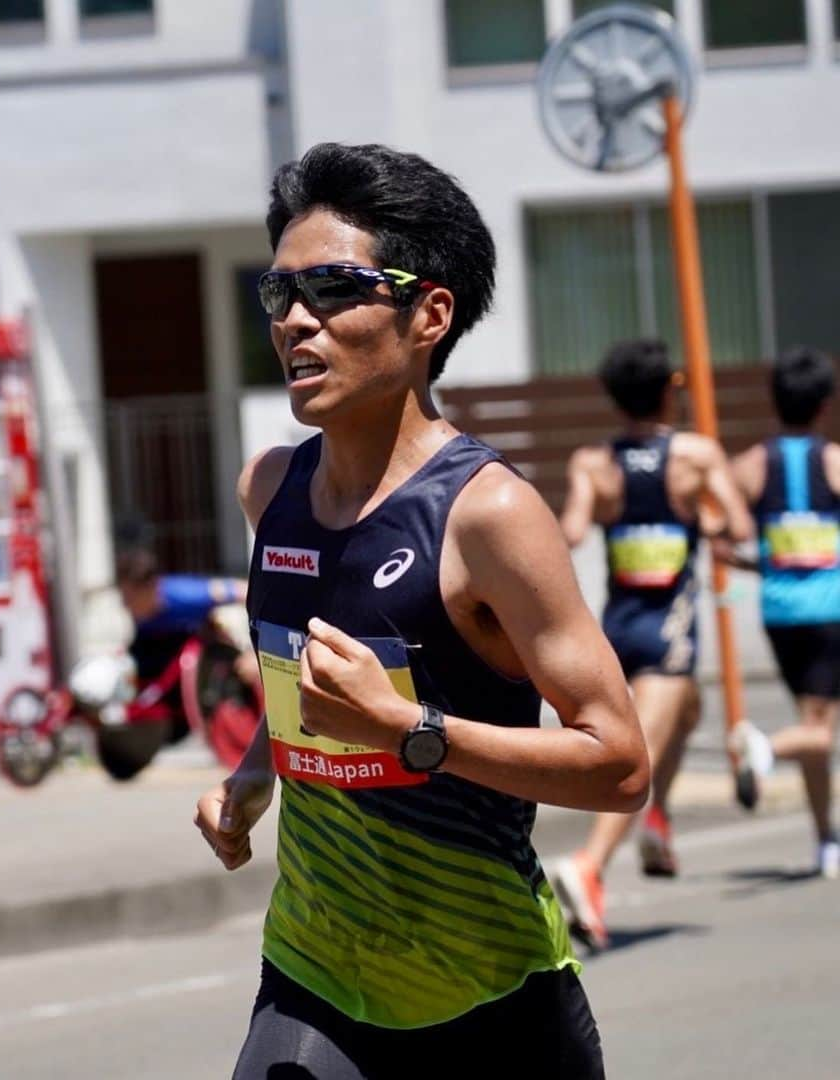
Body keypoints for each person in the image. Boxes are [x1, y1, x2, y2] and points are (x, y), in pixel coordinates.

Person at [193, 142, 649, 1079]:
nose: (297, 324)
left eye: (333, 288)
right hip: (315, 973)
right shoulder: (268, 489)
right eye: (281, 295)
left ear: (429, 313)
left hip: (488, 992)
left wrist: (412, 732)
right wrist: (254, 772)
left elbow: (619, 763)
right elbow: (302, 680)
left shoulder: (488, 516)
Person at [552, 338, 753, 951]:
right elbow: (739, 525)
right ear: (669, 388)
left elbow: (574, 530)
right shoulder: (695, 454)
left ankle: (656, 821)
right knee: (638, 752)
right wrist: (709, 522)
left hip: (618, 625)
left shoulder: (592, 462)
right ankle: (589, 865)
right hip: (669, 624)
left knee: (688, 710)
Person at [723, 346, 840, 879]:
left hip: (779, 614)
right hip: (830, 610)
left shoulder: (749, 466)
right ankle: (763, 749)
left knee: (814, 725)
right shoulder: (834, 461)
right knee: (820, 733)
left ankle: (825, 840)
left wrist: (762, 566)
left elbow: (720, 538)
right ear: (824, 405)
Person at [114, 548, 253, 730]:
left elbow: (245, 592)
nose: (125, 605)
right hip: (155, 653)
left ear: (150, 588)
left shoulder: (184, 595)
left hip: (195, 662)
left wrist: (253, 651)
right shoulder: (142, 617)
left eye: (129, 598)